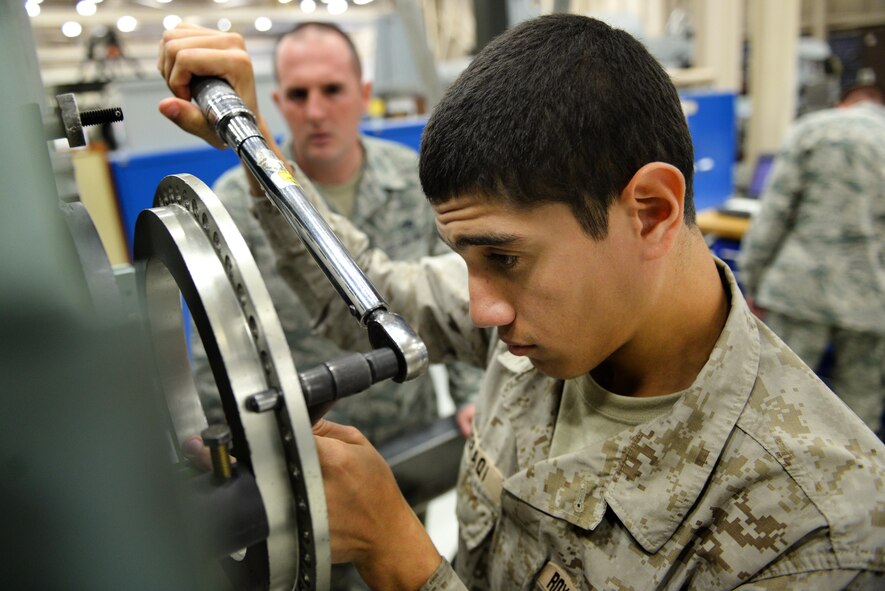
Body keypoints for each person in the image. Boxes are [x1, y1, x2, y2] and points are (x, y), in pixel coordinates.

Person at [159, 14, 885, 590]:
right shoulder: (558, 322)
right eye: (465, 260)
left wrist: (401, 558)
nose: (481, 311)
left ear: (652, 211)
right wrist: (253, 146)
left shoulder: (817, 528)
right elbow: (374, 287)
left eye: (503, 257)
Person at [188, 21, 481, 443]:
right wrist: (225, 438)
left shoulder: (412, 177)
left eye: (332, 90)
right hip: (309, 441)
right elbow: (216, 339)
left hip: (407, 429)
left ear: (363, 94)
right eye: (298, 94)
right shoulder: (236, 201)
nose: (316, 112)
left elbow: (453, 289)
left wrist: (469, 396)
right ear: (276, 102)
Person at [738, 72, 885, 436]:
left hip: (799, 290)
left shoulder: (812, 130)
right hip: (871, 298)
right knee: (859, 413)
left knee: (777, 402)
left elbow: (774, 215)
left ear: (843, 103)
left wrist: (752, 282)